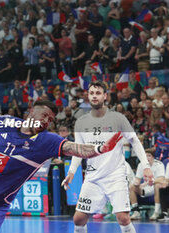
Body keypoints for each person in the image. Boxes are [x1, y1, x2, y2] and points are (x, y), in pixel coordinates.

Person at [0, 79, 123, 233]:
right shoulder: (6, 122)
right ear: (31, 111)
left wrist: (99, 149)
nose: (47, 120)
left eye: (50, 119)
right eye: (44, 115)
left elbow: (76, 148)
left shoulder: (47, 141)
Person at [62, 81, 154, 233]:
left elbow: (135, 141)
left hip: (115, 176)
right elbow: (79, 150)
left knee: (123, 219)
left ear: (105, 96)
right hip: (93, 178)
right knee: (78, 219)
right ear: (88, 96)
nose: (94, 96)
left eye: (98, 93)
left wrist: (146, 166)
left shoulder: (118, 118)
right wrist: (71, 172)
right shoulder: (81, 123)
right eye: (91, 93)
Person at [129, 150, 165, 220]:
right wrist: (136, 184)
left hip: (156, 188)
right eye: (145, 156)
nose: (147, 158)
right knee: (131, 186)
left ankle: (156, 212)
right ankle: (136, 212)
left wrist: (149, 182)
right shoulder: (141, 165)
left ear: (153, 157)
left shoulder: (159, 164)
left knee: (157, 186)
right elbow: (137, 179)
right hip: (144, 189)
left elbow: (161, 179)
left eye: (149, 156)